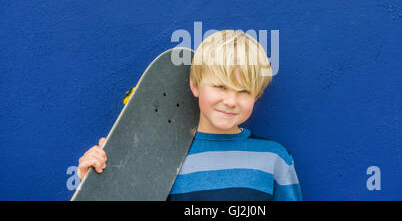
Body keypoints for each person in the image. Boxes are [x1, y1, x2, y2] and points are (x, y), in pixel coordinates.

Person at [77, 30, 303, 200]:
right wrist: (94, 185)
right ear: (195, 85)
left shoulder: (274, 159)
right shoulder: (156, 158)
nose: (231, 101)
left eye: (244, 91)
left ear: (256, 95)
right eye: (220, 87)